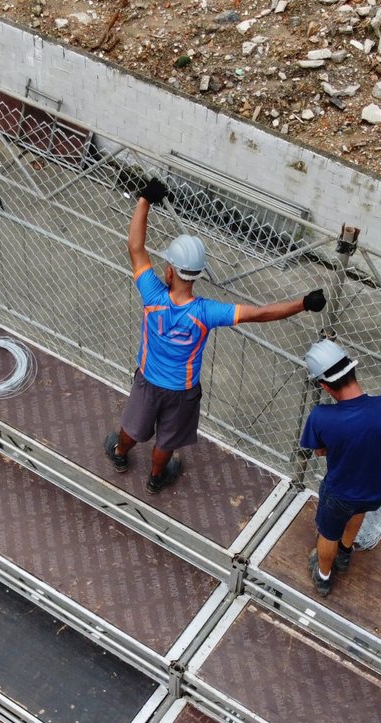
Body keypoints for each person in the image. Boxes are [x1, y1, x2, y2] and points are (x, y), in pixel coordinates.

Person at [104, 178, 327, 494]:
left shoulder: (152, 293)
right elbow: (261, 313)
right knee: (166, 438)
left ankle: (120, 454)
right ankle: (156, 477)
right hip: (182, 390)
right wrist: (304, 303)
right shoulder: (208, 312)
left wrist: (144, 200)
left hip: (148, 381)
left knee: (133, 425)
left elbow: (135, 247)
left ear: (170, 272)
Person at [299, 340, 381, 595]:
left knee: (327, 533)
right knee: (358, 512)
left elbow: (319, 450)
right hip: (377, 489)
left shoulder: (321, 416)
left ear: (324, 386)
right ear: (352, 370)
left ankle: (324, 576)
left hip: (341, 491)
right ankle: (345, 554)